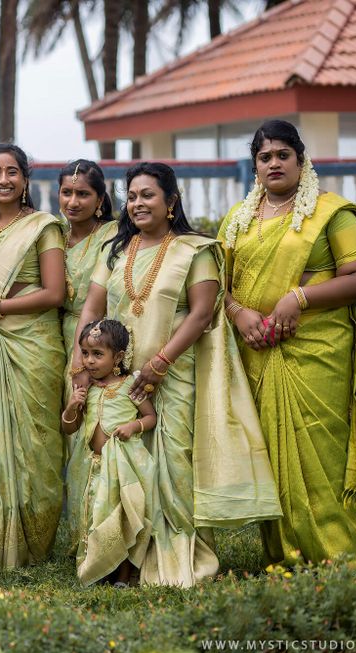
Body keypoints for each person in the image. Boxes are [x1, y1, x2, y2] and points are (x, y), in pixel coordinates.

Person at [71, 162, 280, 587]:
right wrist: (81, 364)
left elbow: (203, 311)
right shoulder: (115, 250)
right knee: (121, 463)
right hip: (120, 379)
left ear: (171, 202)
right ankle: (120, 555)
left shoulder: (195, 249)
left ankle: (173, 556)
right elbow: (92, 308)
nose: (137, 204)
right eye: (131, 197)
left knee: (174, 464)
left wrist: (160, 363)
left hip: (175, 373)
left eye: (147, 195)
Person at [220, 119, 356, 566]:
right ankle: (283, 554)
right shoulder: (238, 219)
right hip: (257, 350)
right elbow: (218, 283)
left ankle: (339, 555)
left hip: (317, 350)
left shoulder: (331, 213)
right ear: (255, 165)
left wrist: (299, 297)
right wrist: (238, 313)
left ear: (300, 159)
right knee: (270, 456)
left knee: (317, 456)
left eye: (282, 155)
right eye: (264, 157)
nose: (274, 163)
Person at [0, 143, 66, 570]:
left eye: (12, 171)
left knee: (36, 443)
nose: (3, 179)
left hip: (34, 346)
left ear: (26, 179)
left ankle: (37, 540)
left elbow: (54, 292)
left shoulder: (45, 227)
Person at [61, 319, 155, 587]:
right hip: (93, 468)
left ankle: (124, 576)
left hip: (122, 467)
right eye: (86, 353)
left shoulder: (130, 386)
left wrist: (133, 425)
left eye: (98, 354)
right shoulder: (84, 389)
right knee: (97, 518)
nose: (89, 361)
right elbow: (69, 428)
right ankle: (100, 568)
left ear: (119, 357)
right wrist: (71, 408)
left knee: (121, 517)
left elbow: (151, 417)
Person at [58, 159, 119, 547]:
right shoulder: (51, 235)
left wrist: (83, 358)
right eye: (67, 192)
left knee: (91, 431)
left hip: (96, 342)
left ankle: (97, 537)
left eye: (83, 194)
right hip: (49, 337)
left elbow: (97, 303)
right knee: (63, 432)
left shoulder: (112, 235)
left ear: (100, 200)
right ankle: (73, 530)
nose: (73, 201)